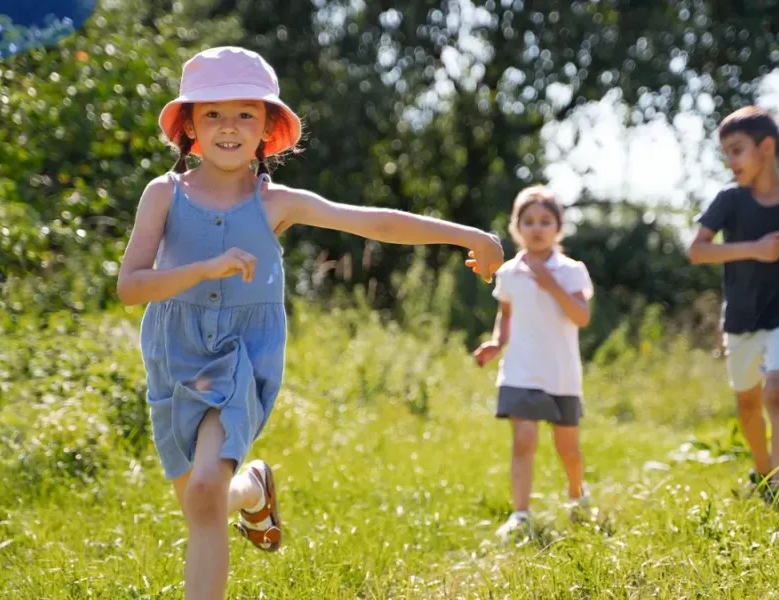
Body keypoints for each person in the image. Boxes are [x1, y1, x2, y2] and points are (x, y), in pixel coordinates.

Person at [116, 46, 504, 599]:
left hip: (239, 356)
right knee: (200, 500)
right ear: (190, 128)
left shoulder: (276, 203)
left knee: (203, 489)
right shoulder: (163, 195)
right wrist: (204, 268)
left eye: (245, 113)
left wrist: (467, 235)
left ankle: (233, 498)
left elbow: (372, 222)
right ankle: (252, 490)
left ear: (268, 127)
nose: (229, 127)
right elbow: (130, 286)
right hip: (174, 356)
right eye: (213, 114)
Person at [687, 106, 779, 508]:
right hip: (741, 318)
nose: (730, 161)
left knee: (777, 393)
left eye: (737, 150)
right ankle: (765, 470)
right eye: (726, 153)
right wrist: (755, 250)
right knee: (748, 403)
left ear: (766, 147)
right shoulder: (729, 201)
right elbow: (697, 251)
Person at [472, 185, 594, 541]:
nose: (537, 228)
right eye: (529, 221)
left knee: (567, 448)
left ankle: (577, 495)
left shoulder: (571, 270)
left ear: (559, 227)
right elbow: (506, 313)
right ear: (516, 227)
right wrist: (497, 343)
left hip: (561, 374)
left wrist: (551, 284)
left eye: (545, 221)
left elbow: (581, 317)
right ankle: (520, 514)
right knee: (523, 440)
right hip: (521, 370)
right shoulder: (508, 273)